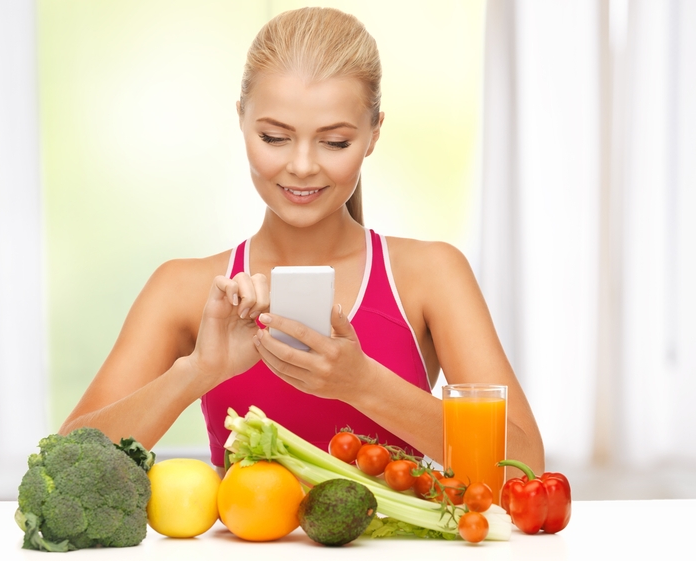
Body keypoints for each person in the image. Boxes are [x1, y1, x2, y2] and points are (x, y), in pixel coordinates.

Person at [60, 7, 544, 476]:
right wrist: (198, 371)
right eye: (275, 137)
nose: (303, 165)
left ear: (374, 134)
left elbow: (524, 467)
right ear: (242, 121)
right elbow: (61, 469)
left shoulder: (431, 275)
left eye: (335, 142)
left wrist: (364, 385)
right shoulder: (183, 288)